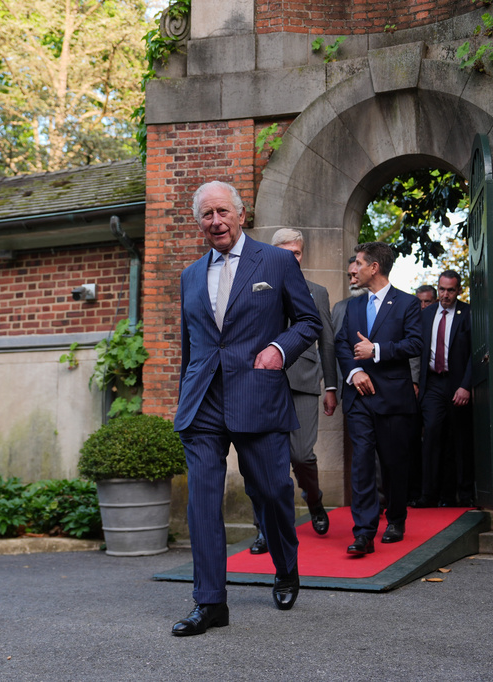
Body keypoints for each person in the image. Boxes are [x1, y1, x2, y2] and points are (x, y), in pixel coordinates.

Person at [172, 181, 322, 636]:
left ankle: (285, 567)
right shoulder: (190, 275)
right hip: (204, 403)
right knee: (200, 503)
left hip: (258, 393)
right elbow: (191, 344)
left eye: (222, 212)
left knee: (273, 491)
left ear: (240, 215)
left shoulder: (275, 261)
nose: (215, 221)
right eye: (206, 214)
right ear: (198, 221)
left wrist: (280, 347)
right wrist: (184, 396)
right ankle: (210, 601)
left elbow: (309, 321)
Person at [248, 228, 336, 554]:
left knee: (300, 455)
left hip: (304, 380)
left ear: (302, 254)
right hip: (262, 383)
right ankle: (263, 530)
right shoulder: (255, 286)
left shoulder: (317, 291)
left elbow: (326, 340)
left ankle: (314, 500)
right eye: (285, 252)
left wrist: (330, 385)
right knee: (263, 461)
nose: (291, 258)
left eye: (297, 253)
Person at [335, 242, 423, 555]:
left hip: (393, 398)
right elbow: (342, 345)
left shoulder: (407, 303)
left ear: (374, 267)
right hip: (359, 398)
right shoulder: (353, 306)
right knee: (361, 464)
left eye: (357, 264)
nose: (351, 270)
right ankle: (364, 533)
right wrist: (354, 373)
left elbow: (415, 344)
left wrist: (378, 351)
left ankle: (396, 518)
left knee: (393, 463)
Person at [412, 270, 474, 508]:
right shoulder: (426, 315)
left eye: (450, 290)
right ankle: (429, 494)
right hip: (433, 383)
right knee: (432, 436)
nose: (445, 295)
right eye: (442, 289)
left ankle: (460, 495)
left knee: (458, 439)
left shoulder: (467, 313)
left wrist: (465, 386)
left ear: (458, 290)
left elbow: (474, 355)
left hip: (457, 383)